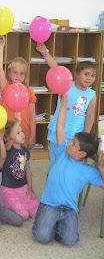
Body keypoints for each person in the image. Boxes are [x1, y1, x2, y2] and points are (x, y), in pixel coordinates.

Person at [32, 94, 104, 246]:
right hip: (49, 204)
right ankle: (47, 221)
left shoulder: (88, 170)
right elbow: (60, 127)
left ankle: (57, 225)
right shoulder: (62, 152)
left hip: (69, 209)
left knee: (70, 241)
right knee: (42, 237)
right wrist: (63, 105)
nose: (69, 143)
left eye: (74, 143)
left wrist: (101, 167)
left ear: (82, 154)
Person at [36, 43, 97, 169]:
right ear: (77, 74)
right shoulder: (67, 85)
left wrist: (85, 137)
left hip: (76, 136)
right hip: (57, 132)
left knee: (72, 167)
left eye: (93, 75)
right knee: (56, 164)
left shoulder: (92, 94)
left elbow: (90, 117)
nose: (89, 78)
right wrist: (45, 52)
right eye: (86, 74)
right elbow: (55, 68)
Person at [0, 37, 36, 148]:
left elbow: (32, 116)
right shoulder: (6, 87)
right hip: (8, 132)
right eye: (15, 72)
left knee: (23, 159)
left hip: (23, 132)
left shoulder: (29, 92)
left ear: (25, 75)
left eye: (22, 73)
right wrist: (0, 47)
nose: (18, 76)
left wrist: (33, 136)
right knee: (7, 159)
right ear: (9, 73)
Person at [0, 113, 39, 220]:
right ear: (7, 138)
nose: (22, 134)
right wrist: (17, 121)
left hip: (23, 187)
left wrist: (30, 187)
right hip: (9, 189)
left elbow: (28, 170)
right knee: (23, 215)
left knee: (36, 211)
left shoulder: (25, 151)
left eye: (22, 131)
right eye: (18, 132)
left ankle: (23, 201)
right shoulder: (7, 149)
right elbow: (12, 137)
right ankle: (4, 204)